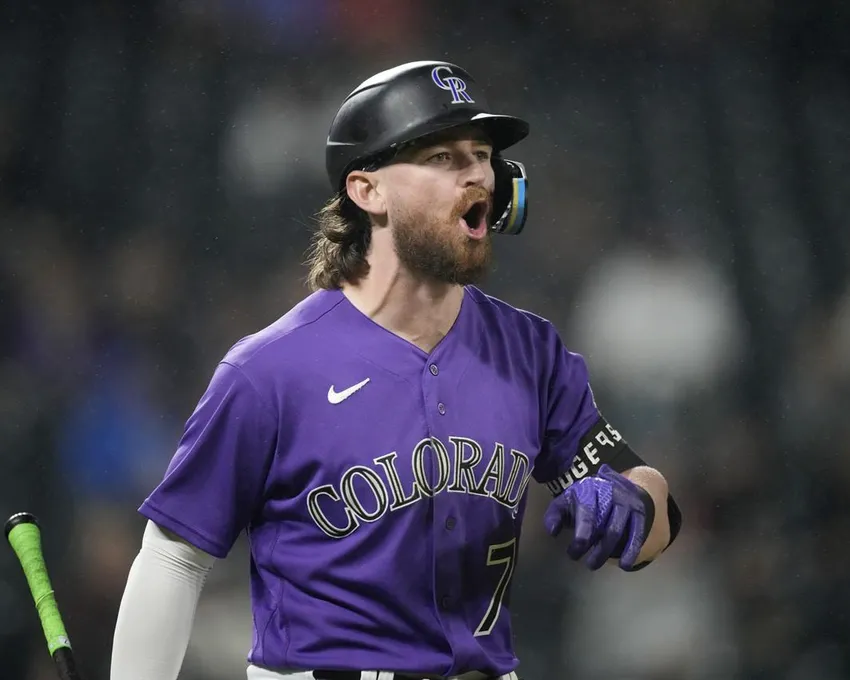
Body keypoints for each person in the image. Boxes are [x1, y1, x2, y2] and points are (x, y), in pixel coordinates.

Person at [110, 60, 682, 680]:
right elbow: (174, 559)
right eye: (442, 157)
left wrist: (637, 501)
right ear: (367, 191)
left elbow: (656, 511)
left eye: (482, 154)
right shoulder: (269, 369)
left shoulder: (531, 350)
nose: (477, 175)